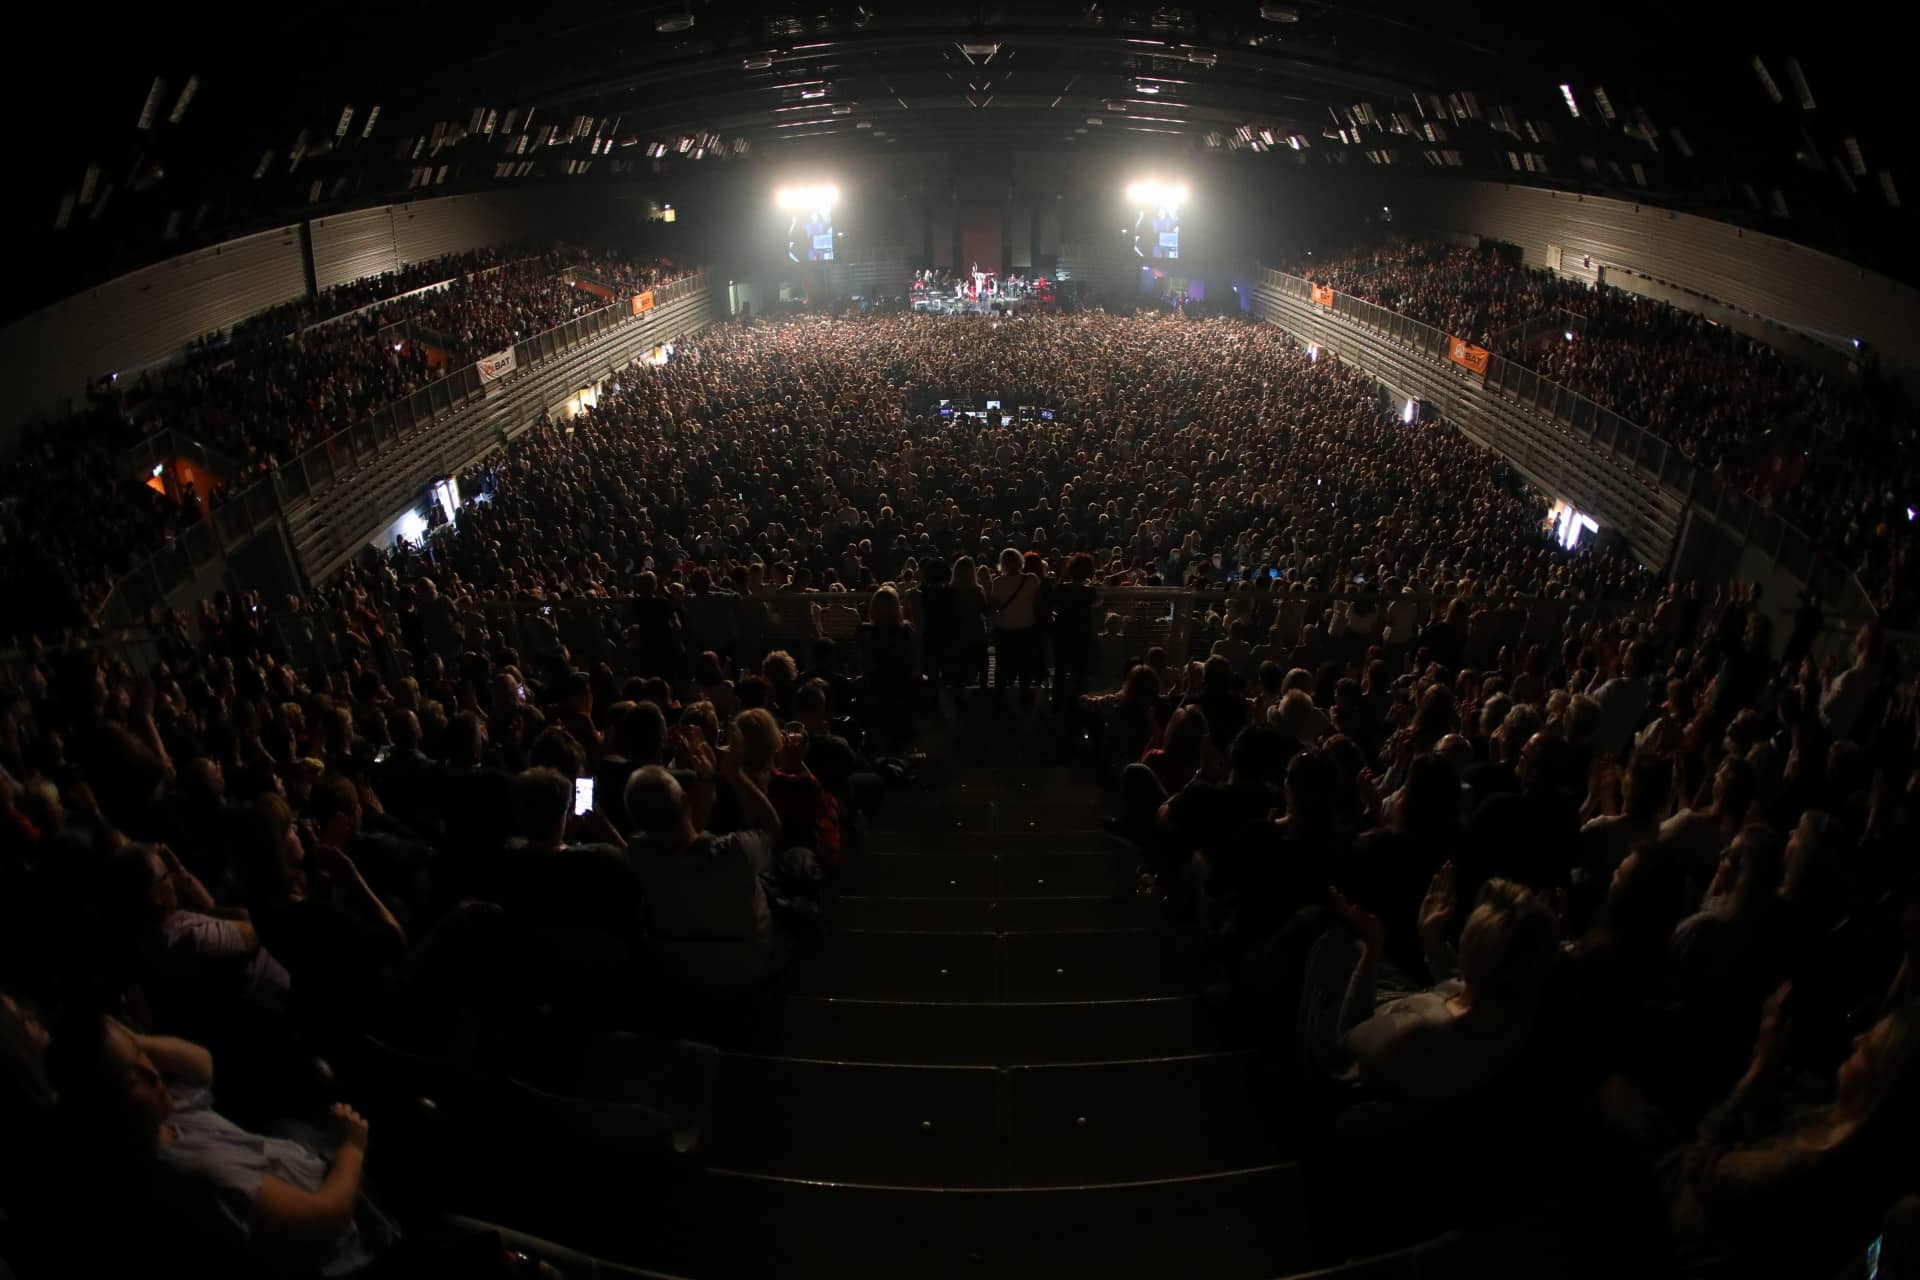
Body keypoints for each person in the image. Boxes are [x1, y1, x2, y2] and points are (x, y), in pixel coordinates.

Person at [44, 1013, 397, 1274]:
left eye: (143, 1058)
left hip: (313, 1168)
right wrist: (353, 1146)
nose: (153, 1074)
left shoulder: (160, 1119)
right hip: (352, 1246)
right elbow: (325, 1220)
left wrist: (133, 1044)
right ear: (102, 1107)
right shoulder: (201, 1176)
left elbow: (202, 1065)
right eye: (131, 1078)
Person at [987, 547, 1041, 696]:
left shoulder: (998, 582)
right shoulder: (1031, 579)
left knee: (1002, 665)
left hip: (1004, 628)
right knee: (1025, 665)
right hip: (1026, 627)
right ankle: (1024, 695)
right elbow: (1037, 603)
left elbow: (993, 606)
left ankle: (1000, 696)